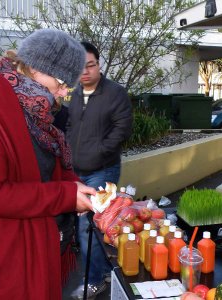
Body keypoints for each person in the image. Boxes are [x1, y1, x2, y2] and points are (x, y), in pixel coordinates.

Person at [0, 29, 96, 300]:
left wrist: (75, 189)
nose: (64, 92)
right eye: (63, 81)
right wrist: (65, 196)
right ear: (34, 68)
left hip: (31, 242)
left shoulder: (33, 108)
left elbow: (41, 170)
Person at [67, 41, 133, 299]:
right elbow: (69, 126)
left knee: (89, 228)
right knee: (90, 226)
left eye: (91, 65)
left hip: (102, 170)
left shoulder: (115, 92)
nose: (85, 72)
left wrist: (99, 151)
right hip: (75, 171)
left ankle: (95, 280)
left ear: (99, 63)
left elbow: (122, 129)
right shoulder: (72, 92)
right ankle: (105, 269)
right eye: (80, 67)